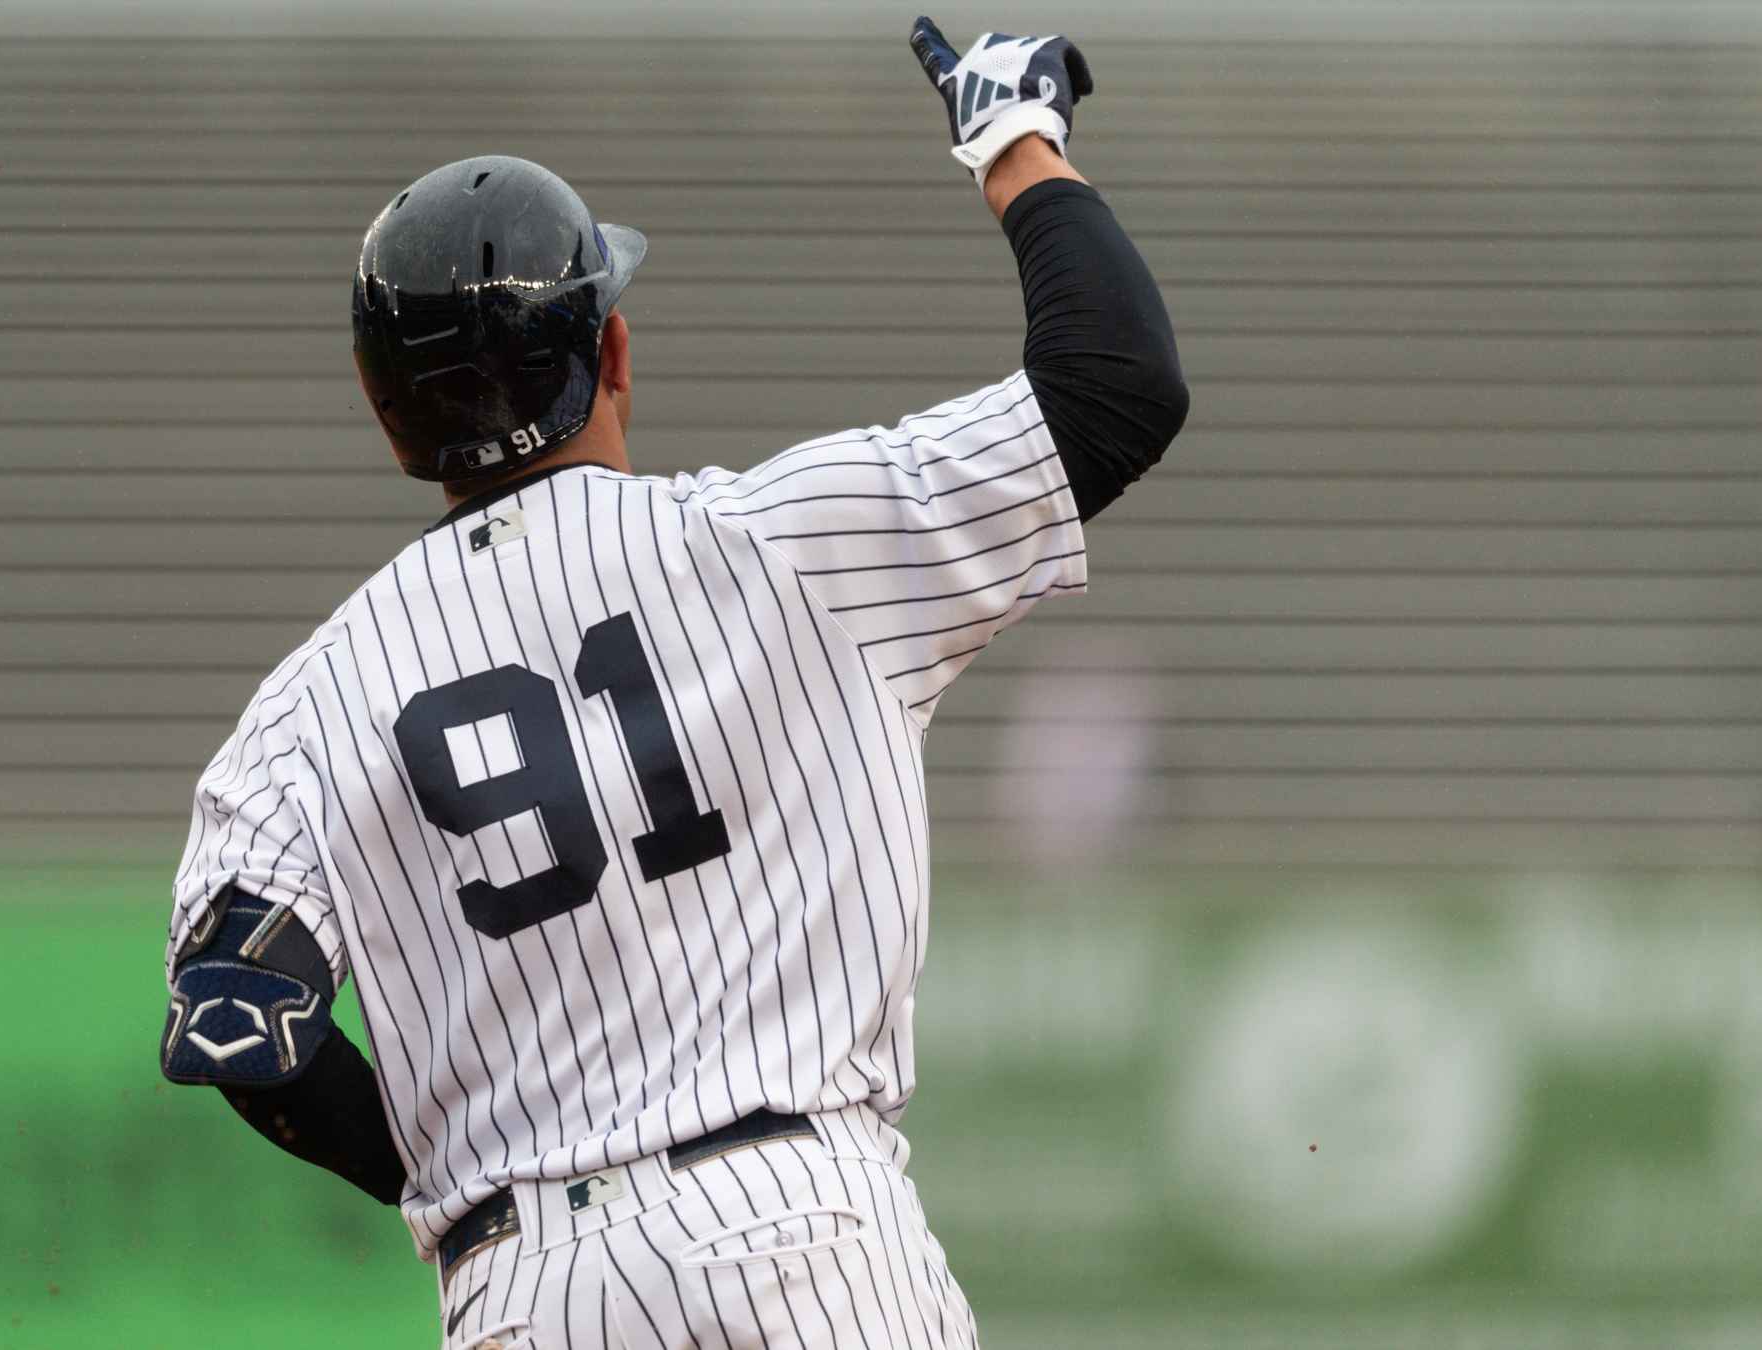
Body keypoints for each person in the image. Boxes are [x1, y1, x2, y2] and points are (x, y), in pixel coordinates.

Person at [157, 18, 1187, 1347]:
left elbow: (243, 1020)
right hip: (808, 1233)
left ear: (384, 409)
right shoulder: (781, 539)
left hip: (531, 1281)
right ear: (616, 352)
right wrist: (1013, 142)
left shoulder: (307, 705)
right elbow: (1117, 383)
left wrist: (441, 1179)